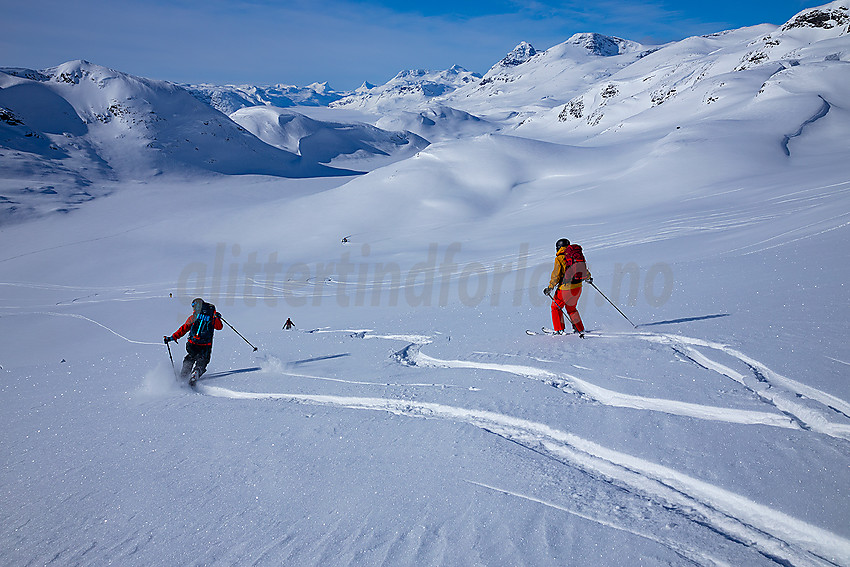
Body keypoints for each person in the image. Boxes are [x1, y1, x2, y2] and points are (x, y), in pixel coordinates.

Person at [164, 297, 223, 383]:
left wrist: (172, 337)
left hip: (192, 343)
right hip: (206, 345)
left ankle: (184, 375)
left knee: (190, 357)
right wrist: (217, 318)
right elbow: (219, 327)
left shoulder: (193, 317)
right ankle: (197, 372)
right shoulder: (211, 317)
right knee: (203, 360)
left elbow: (183, 329)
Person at [543, 238, 592, 336]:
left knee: (555, 307)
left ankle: (559, 330)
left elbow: (556, 274)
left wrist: (550, 287)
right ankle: (579, 328)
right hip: (577, 287)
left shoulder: (560, 258)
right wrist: (588, 277)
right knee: (571, 308)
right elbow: (583, 268)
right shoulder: (576, 255)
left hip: (565, 288)